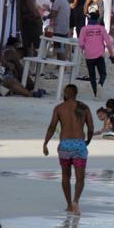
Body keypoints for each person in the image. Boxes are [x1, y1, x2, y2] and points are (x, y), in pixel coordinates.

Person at [42, 84, 94, 214]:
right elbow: (91, 128)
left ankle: (69, 205)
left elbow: (52, 127)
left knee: (66, 176)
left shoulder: (59, 108)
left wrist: (45, 143)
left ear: (65, 94)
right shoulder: (84, 107)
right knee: (80, 178)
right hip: (79, 145)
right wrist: (88, 140)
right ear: (76, 94)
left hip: (65, 145)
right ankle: (75, 201)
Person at [77, 11, 114, 99]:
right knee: (103, 74)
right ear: (98, 20)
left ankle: (95, 93)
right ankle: (100, 84)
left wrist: (83, 50)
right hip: (99, 55)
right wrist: (112, 55)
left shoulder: (83, 29)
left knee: (92, 76)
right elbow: (108, 43)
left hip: (88, 55)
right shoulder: (101, 29)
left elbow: (81, 44)